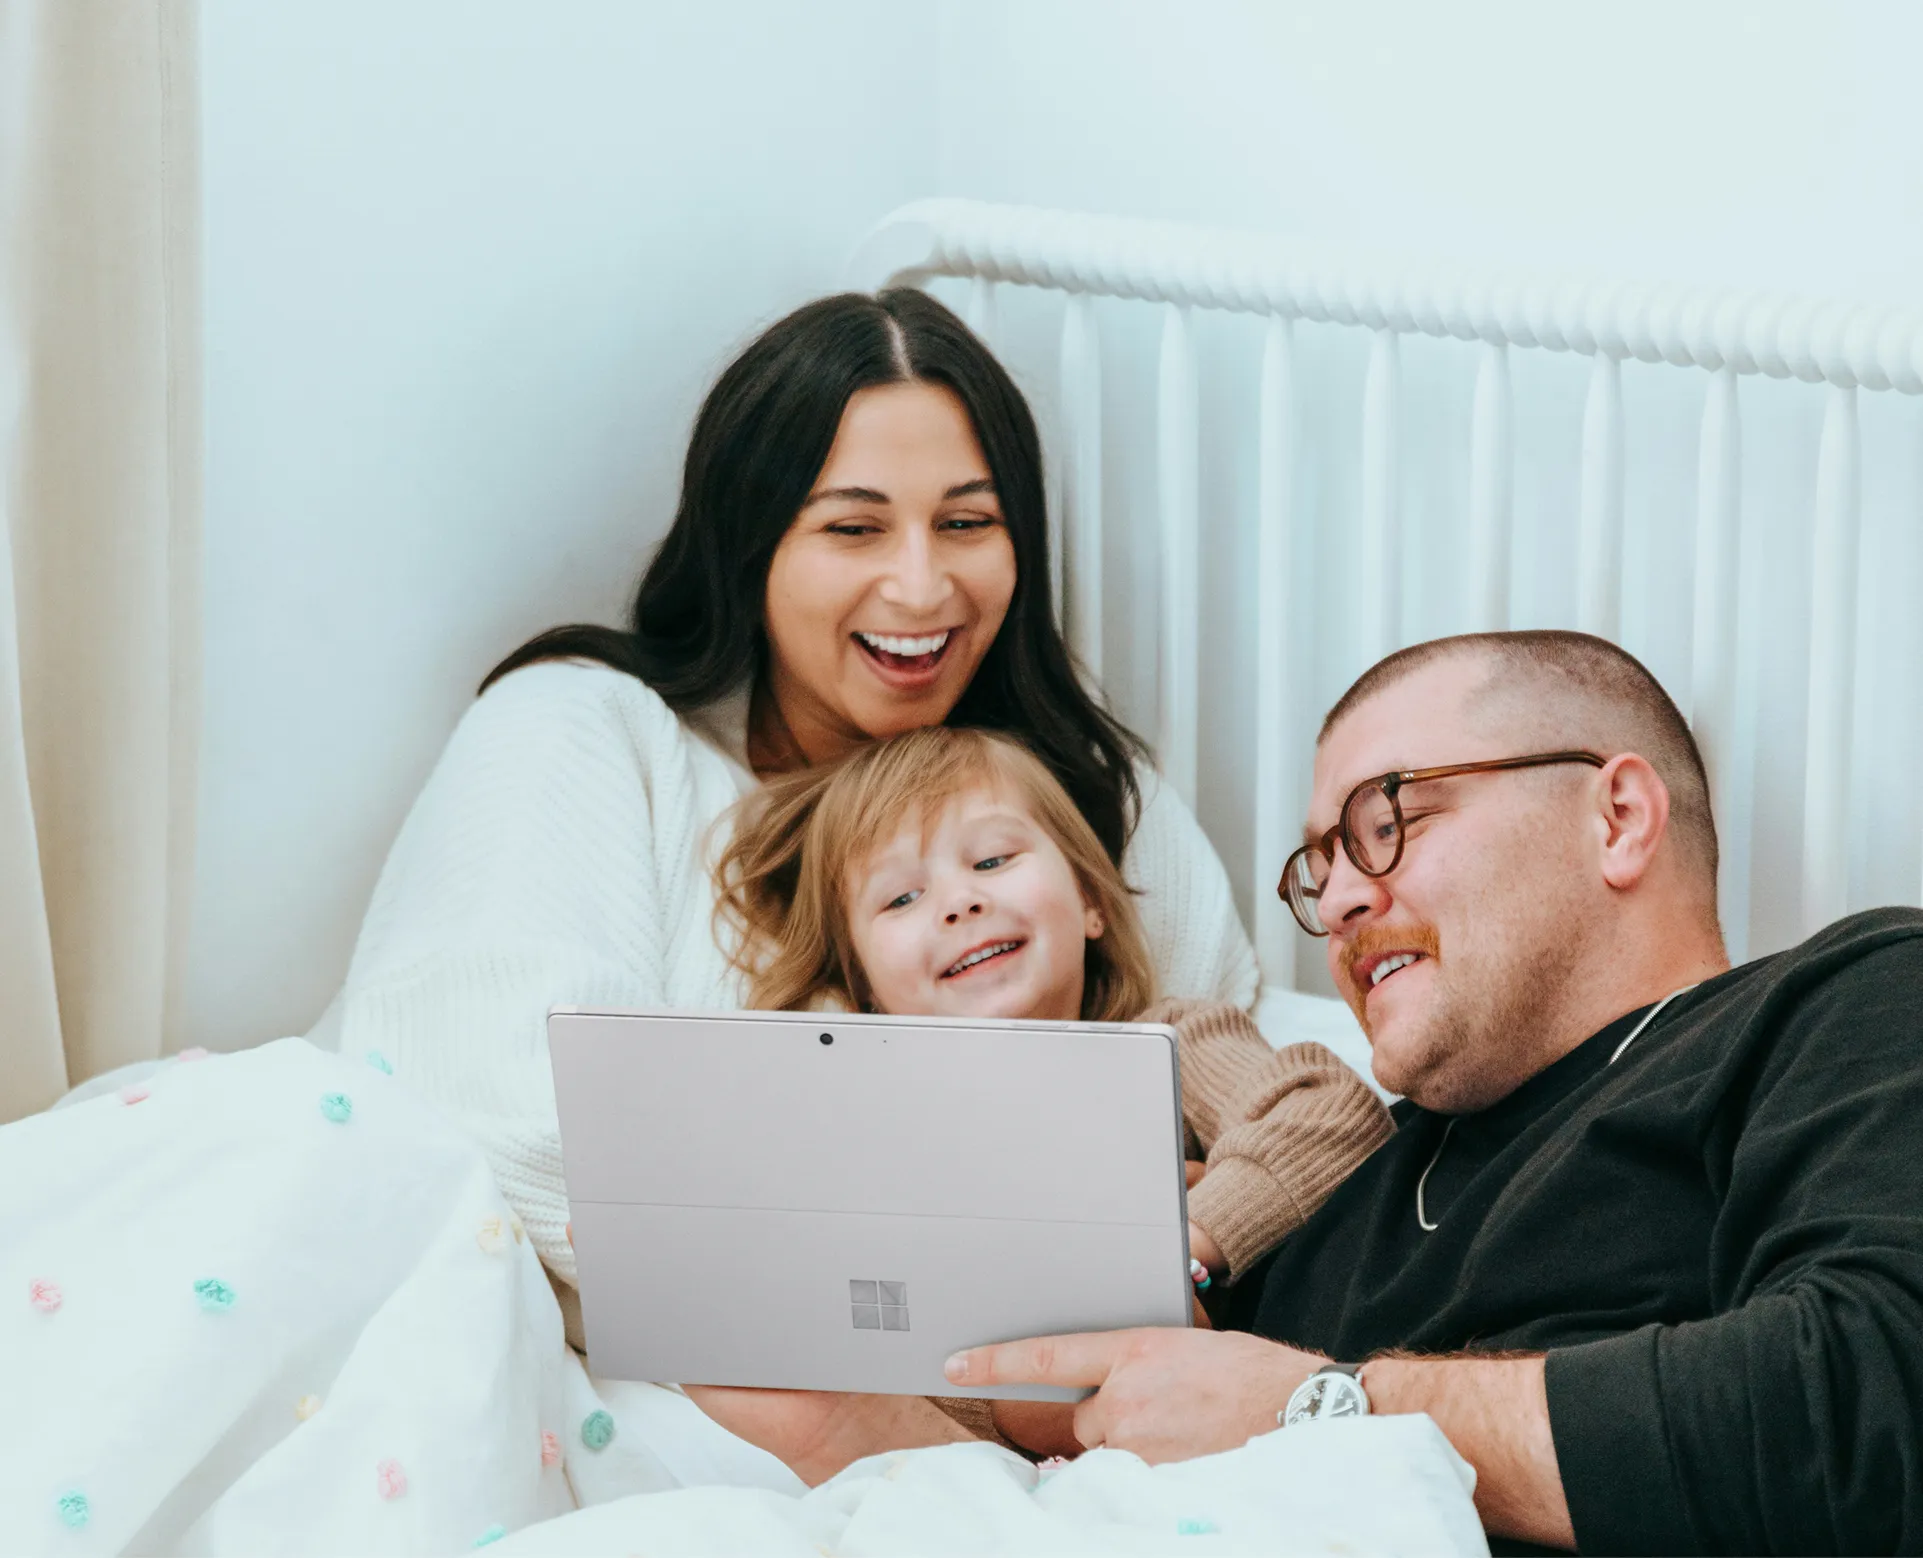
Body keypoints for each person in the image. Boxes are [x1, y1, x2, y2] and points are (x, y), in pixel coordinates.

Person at [769, 631, 1923, 1557]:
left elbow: (1873, 1416)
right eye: (1320, 871)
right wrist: (833, 1408)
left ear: (1615, 816)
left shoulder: (1843, 1001)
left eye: (1387, 824)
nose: (1344, 899)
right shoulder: (1347, 1194)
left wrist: (1320, 1410)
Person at [332, 290, 1258, 1319]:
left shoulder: (1094, 801)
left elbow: (1234, 1094)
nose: (921, 586)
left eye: (967, 522)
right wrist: (980, 1232)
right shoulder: (584, 732)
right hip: (522, 1311)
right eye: (854, 527)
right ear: (752, 544)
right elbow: (512, 1116)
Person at [688, 725, 1390, 1455]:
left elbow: (1326, 1114)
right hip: (981, 1442)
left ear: (1089, 900)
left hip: (1201, 1415)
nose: (958, 903)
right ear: (863, 989)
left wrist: (1177, 1241)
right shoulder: (875, 1136)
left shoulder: (1165, 1041)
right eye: (900, 899)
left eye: (991, 859)